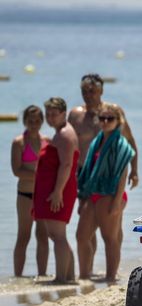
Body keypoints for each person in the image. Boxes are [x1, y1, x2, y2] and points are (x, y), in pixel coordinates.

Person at [68, 73, 139, 277]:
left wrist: (135, 170)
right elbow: (68, 141)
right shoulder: (75, 115)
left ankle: (111, 274)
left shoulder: (112, 113)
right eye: (84, 91)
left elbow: (130, 144)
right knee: (86, 231)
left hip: (111, 181)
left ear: (101, 91)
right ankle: (87, 273)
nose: (88, 94)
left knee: (111, 231)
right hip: (86, 178)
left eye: (92, 90)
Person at [34, 97, 79, 284]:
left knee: (57, 235)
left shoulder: (65, 134)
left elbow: (67, 165)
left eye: (54, 114)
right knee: (57, 235)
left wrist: (57, 191)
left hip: (59, 190)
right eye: (48, 114)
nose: (50, 118)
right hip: (53, 189)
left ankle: (62, 278)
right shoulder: (59, 133)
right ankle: (68, 276)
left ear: (64, 113)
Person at [10, 105, 50, 277]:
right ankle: (18, 278)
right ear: (25, 121)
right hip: (25, 195)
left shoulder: (47, 141)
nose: (33, 124)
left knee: (43, 236)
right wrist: (38, 175)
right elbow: (17, 171)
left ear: (42, 121)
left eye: (37, 120)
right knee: (24, 236)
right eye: (30, 120)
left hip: (43, 196)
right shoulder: (19, 142)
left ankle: (42, 276)